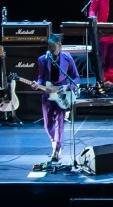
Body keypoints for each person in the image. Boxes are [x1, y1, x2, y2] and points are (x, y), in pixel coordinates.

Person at [34, 34, 80, 162]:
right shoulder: (42, 59)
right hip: (48, 93)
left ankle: (56, 149)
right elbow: (41, 77)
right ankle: (55, 141)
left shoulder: (67, 58)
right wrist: (37, 84)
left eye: (53, 47)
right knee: (47, 124)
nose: (51, 49)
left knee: (60, 122)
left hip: (62, 93)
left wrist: (68, 87)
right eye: (49, 47)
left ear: (60, 46)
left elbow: (75, 77)